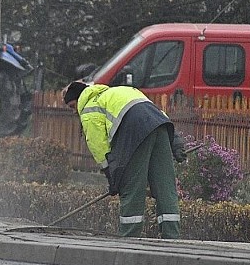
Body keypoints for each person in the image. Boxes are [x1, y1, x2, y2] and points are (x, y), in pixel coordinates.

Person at [63, 81, 181, 239]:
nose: (73, 112)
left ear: (79, 98)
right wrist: (176, 141)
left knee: (131, 186)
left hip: (134, 132)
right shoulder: (121, 91)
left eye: (72, 106)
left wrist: (111, 175)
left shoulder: (89, 107)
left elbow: (98, 145)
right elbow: (157, 113)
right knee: (165, 185)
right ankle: (171, 236)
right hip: (160, 127)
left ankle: (129, 237)